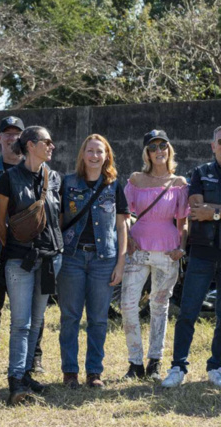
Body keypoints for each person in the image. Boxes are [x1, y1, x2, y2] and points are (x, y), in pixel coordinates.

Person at [161, 125, 221, 389]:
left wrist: (214, 212)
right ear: (212, 146)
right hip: (202, 254)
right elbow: (195, 209)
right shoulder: (200, 173)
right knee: (187, 313)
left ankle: (216, 367)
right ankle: (178, 367)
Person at [0, 116, 47, 376]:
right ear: (0, 139)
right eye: (8, 133)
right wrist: (1, 245)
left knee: (32, 310)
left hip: (28, 251)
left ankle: (34, 358)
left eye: (18, 133)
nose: (13, 137)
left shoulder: (41, 173)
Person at [0, 126, 63, 404]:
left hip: (50, 258)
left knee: (37, 321)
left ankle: (26, 373)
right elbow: (0, 221)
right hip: (19, 259)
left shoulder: (54, 177)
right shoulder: (8, 179)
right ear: (31, 145)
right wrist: (7, 250)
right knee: (20, 324)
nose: (52, 146)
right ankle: (16, 381)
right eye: (47, 142)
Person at [57, 134, 128, 388]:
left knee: (98, 318)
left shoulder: (114, 185)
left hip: (103, 259)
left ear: (107, 155)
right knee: (70, 316)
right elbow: (60, 220)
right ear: (83, 155)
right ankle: (70, 371)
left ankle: (94, 372)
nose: (95, 156)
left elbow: (122, 228)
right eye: (90, 151)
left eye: (100, 151)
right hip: (72, 257)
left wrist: (120, 263)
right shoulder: (67, 183)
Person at [121, 130, 188, 381]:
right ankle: (134, 362)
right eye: (153, 147)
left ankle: (155, 362)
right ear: (146, 153)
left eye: (163, 145)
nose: (159, 150)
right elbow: (124, 215)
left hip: (167, 252)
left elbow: (183, 221)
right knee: (128, 305)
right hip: (138, 249)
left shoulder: (179, 182)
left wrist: (181, 247)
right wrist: (128, 239)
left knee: (159, 306)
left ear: (169, 150)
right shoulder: (136, 180)